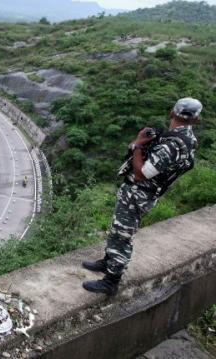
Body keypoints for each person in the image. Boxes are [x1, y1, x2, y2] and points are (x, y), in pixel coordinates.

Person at [82, 98, 200, 296]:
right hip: (138, 192)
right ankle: (108, 262)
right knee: (117, 229)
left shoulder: (174, 144)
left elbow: (141, 173)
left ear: (172, 113)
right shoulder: (185, 139)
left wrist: (137, 146)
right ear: (196, 120)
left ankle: (111, 281)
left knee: (123, 234)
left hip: (140, 193)